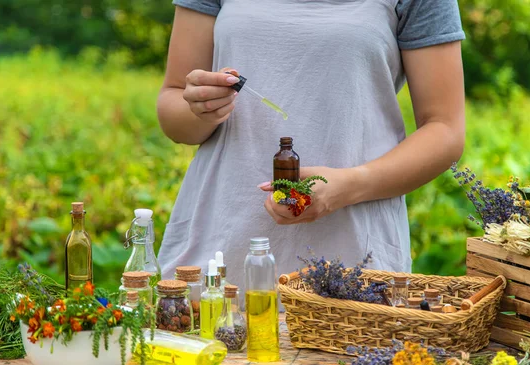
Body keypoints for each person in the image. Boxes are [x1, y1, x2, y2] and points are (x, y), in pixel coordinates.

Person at [156, 0, 466, 295]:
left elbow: (445, 130)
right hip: (215, 259)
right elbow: (174, 108)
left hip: (351, 267)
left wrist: (347, 186)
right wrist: (201, 107)